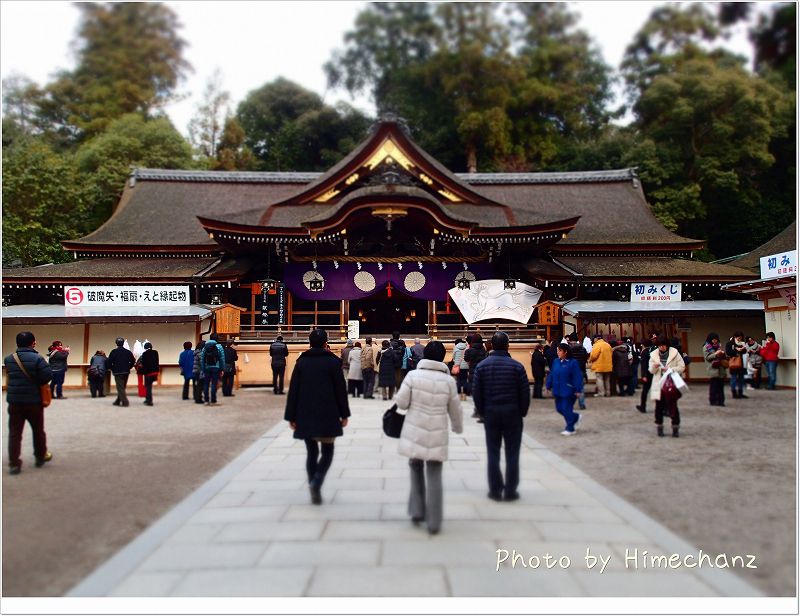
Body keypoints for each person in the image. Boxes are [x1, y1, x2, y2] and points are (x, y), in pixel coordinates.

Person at [396, 340, 463, 534]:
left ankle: (417, 511)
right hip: (437, 430)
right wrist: (457, 427)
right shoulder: (448, 381)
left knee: (415, 468)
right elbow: (455, 408)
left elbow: (401, 402)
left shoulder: (413, 376)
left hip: (415, 429)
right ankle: (434, 521)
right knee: (434, 474)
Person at [284, 328, 350, 505]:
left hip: (305, 412)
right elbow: (340, 391)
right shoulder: (333, 363)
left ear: (309, 343)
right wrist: (344, 414)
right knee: (328, 451)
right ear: (325, 343)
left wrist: (291, 415)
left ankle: (313, 482)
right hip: (328, 412)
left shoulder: (301, 363)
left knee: (311, 451)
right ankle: (317, 480)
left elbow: (294, 391)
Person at [471, 332, 530, 502]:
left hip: (491, 412)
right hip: (512, 412)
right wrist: (522, 411)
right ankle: (511, 489)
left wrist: (482, 411)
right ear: (507, 345)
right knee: (512, 452)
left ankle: (496, 489)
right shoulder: (517, 366)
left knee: (493, 452)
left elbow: (477, 392)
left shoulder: (482, 366)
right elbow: (524, 392)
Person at [5, 331, 53, 475]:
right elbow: (47, 377)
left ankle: (14, 463)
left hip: (14, 401)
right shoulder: (38, 358)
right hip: (33, 401)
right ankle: (40, 457)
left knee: (14, 432)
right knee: (38, 430)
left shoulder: (8, 359)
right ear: (33, 343)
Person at [648, 334, 686, 437]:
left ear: (667, 345)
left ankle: (675, 427)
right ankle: (659, 427)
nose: (662, 347)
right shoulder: (653, 354)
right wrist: (655, 367)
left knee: (673, 406)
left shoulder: (675, 353)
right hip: (659, 384)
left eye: (664, 345)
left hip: (671, 383)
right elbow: (651, 370)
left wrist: (671, 370)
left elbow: (682, 367)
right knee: (659, 407)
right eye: (660, 345)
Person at [545, 343, 584, 435]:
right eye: (557, 350)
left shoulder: (573, 363)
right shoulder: (556, 361)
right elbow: (552, 374)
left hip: (569, 389)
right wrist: (548, 385)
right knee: (559, 408)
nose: (557, 352)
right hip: (557, 390)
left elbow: (577, 377)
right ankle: (576, 417)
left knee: (566, 409)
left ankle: (570, 428)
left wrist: (578, 389)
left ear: (565, 352)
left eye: (560, 351)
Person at [464, 333, 487, 420]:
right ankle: (481, 411)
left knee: (475, 394)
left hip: (473, 373)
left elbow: (466, 359)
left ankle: (478, 410)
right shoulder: (483, 350)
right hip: (483, 373)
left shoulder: (469, 350)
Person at [107, 337, 136, 407]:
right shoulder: (128, 352)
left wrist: (111, 368)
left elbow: (109, 362)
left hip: (117, 372)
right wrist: (129, 367)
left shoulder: (113, 352)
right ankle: (117, 401)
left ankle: (125, 402)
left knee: (120, 387)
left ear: (116, 343)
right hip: (126, 371)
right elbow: (133, 361)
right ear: (123, 343)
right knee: (122, 387)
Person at [636, 334, 659, 413]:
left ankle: (643, 406)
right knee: (657, 390)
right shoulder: (656, 350)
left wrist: (644, 375)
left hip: (649, 373)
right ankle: (662, 408)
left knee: (645, 391)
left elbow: (644, 365)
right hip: (656, 373)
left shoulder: (645, 352)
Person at [703, 332, 727, 407]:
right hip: (712, 368)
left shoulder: (719, 345)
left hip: (720, 368)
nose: (715, 341)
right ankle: (713, 400)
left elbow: (723, 356)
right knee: (714, 386)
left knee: (721, 386)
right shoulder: (706, 347)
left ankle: (721, 401)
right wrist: (716, 354)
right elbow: (707, 358)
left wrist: (722, 353)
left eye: (716, 339)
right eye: (713, 339)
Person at [201, 335, 226, 405]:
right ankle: (213, 400)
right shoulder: (219, 347)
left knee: (206, 384)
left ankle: (206, 400)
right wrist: (222, 369)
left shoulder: (205, 347)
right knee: (214, 384)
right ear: (217, 339)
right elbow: (222, 359)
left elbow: (202, 359)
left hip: (207, 367)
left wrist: (203, 369)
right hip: (216, 367)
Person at [566, 334, 588, 410]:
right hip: (580, 370)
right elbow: (585, 359)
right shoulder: (582, 348)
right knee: (580, 388)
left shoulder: (568, 349)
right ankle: (582, 404)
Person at [725, 331, 747, 399]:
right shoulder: (730, 343)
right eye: (738, 338)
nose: (739, 339)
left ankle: (740, 392)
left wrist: (742, 349)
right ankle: (734, 393)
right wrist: (736, 351)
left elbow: (745, 352)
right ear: (735, 337)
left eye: (740, 338)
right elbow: (728, 352)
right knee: (734, 378)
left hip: (741, 363)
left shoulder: (742, 344)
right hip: (734, 362)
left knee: (741, 378)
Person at [137, 342, 160, 406]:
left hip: (148, 373)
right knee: (149, 386)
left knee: (148, 387)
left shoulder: (144, 354)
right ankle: (147, 399)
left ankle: (149, 401)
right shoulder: (156, 352)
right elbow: (157, 361)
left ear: (145, 348)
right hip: (155, 372)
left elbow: (144, 364)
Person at [192, 340, 205, 404]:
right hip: (199, 371)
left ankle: (197, 397)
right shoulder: (200, 353)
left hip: (195, 370)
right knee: (200, 385)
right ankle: (198, 399)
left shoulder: (195, 352)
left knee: (198, 385)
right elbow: (202, 362)